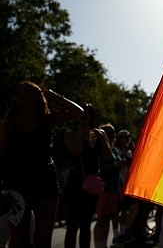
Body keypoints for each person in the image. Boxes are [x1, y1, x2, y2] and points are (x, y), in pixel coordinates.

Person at [0, 82, 83, 248]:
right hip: (16, 185)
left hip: (45, 182)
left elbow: (78, 112)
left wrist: (54, 95)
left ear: (37, 97)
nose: (20, 94)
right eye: (19, 91)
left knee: (43, 241)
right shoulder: (9, 124)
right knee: (18, 241)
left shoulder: (46, 120)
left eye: (26, 91)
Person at [63, 103, 111, 248]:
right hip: (74, 182)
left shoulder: (98, 135)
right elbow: (77, 150)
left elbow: (108, 157)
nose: (84, 116)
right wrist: (79, 130)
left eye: (87, 113)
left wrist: (103, 139)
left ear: (92, 116)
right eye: (82, 112)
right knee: (72, 224)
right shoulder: (69, 134)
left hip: (92, 184)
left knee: (86, 224)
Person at [93, 123, 122, 248]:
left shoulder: (114, 149)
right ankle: (99, 245)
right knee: (101, 220)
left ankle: (103, 244)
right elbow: (101, 169)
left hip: (114, 189)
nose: (112, 135)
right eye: (109, 133)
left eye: (113, 132)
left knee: (108, 218)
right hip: (103, 189)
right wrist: (115, 165)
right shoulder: (98, 150)